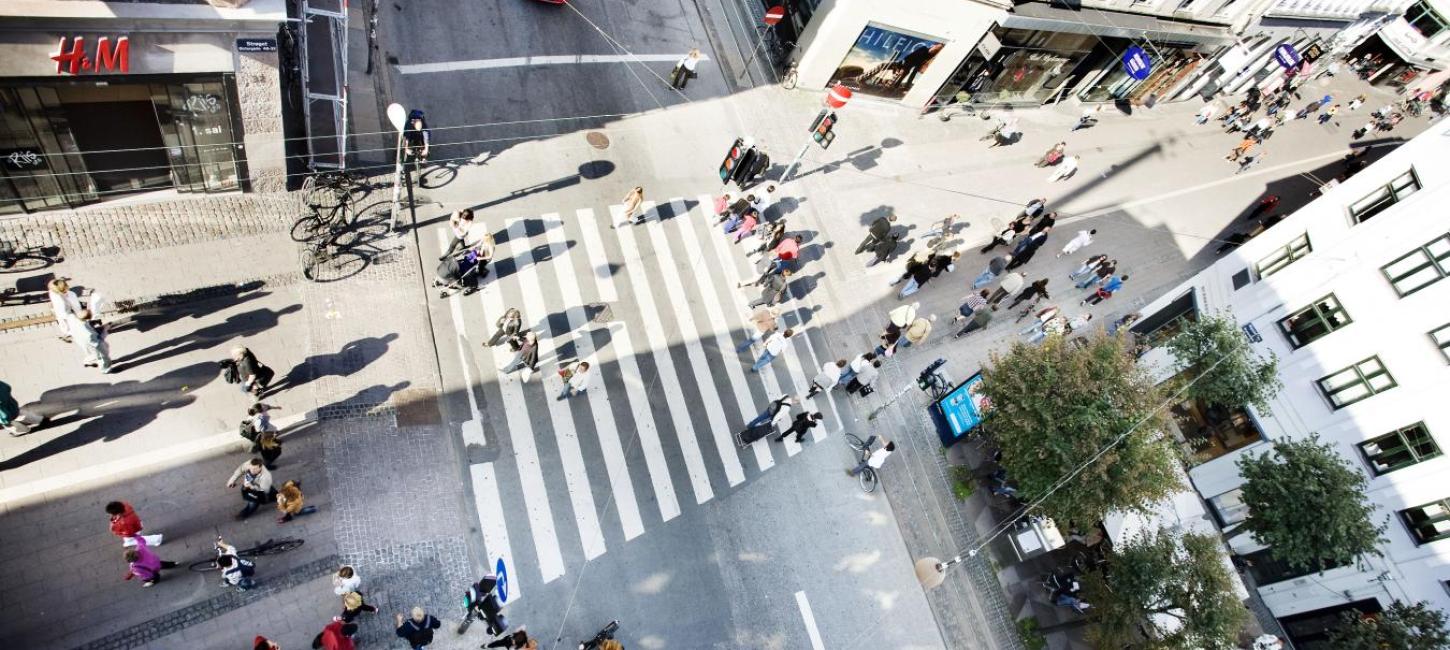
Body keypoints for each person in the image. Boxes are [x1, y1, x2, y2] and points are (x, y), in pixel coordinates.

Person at [47, 277, 84, 343]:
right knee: (68, 323)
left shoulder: (52, 292)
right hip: (66, 313)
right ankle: (70, 333)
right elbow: (77, 307)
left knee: (63, 324)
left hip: (59, 312)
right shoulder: (71, 295)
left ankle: (67, 333)